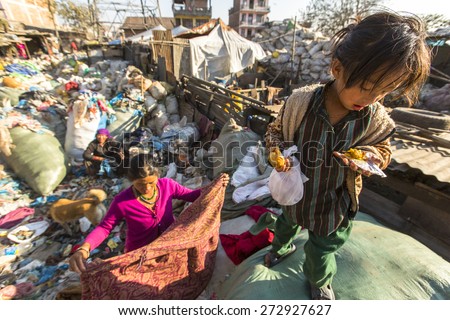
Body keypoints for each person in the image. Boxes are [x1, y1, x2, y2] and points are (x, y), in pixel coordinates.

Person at [263, 11, 431, 300]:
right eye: (367, 87)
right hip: (297, 193)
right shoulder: (301, 103)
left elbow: (382, 150)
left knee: (321, 250)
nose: (371, 99)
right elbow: (275, 132)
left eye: (384, 92)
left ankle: (319, 280)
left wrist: (371, 157)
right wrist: (275, 152)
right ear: (337, 68)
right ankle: (279, 249)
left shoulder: (374, 119)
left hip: (333, 204)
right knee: (285, 224)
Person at [69, 154, 229, 273]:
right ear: (132, 181)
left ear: (158, 176)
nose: (146, 189)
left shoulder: (168, 185)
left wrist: (215, 186)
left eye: (151, 183)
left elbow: (194, 196)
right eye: (140, 184)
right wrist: (85, 248)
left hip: (167, 245)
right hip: (139, 254)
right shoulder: (122, 201)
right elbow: (105, 227)